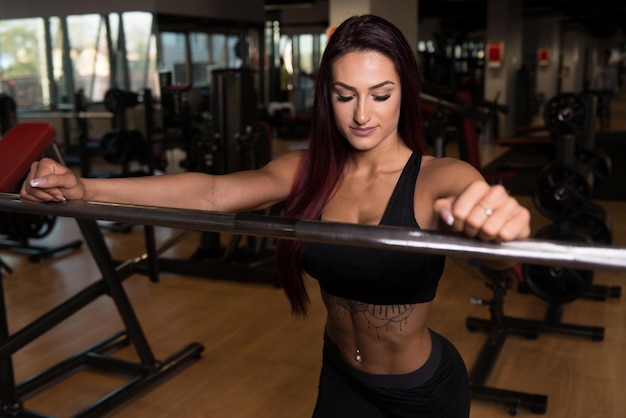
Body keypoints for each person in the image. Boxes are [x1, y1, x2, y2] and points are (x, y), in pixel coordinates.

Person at [21, 15, 530, 417]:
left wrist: (498, 235)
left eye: (381, 95)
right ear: (326, 94)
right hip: (341, 375)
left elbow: (495, 255)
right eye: (344, 95)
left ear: (405, 94)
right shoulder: (308, 171)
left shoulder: (439, 178)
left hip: (422, 392)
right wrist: (87, 187)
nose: (362, 115)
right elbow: (213, 194)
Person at [593, 48, 619, 132]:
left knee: (607, 107)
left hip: (608, 90)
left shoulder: (612, 69)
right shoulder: (598, 68)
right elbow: (595, 79)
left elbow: (614, 80)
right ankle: (602, 124)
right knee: (601, 108)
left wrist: (615, 89)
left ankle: (607, 123)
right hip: (600, 90)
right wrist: (593, 88)